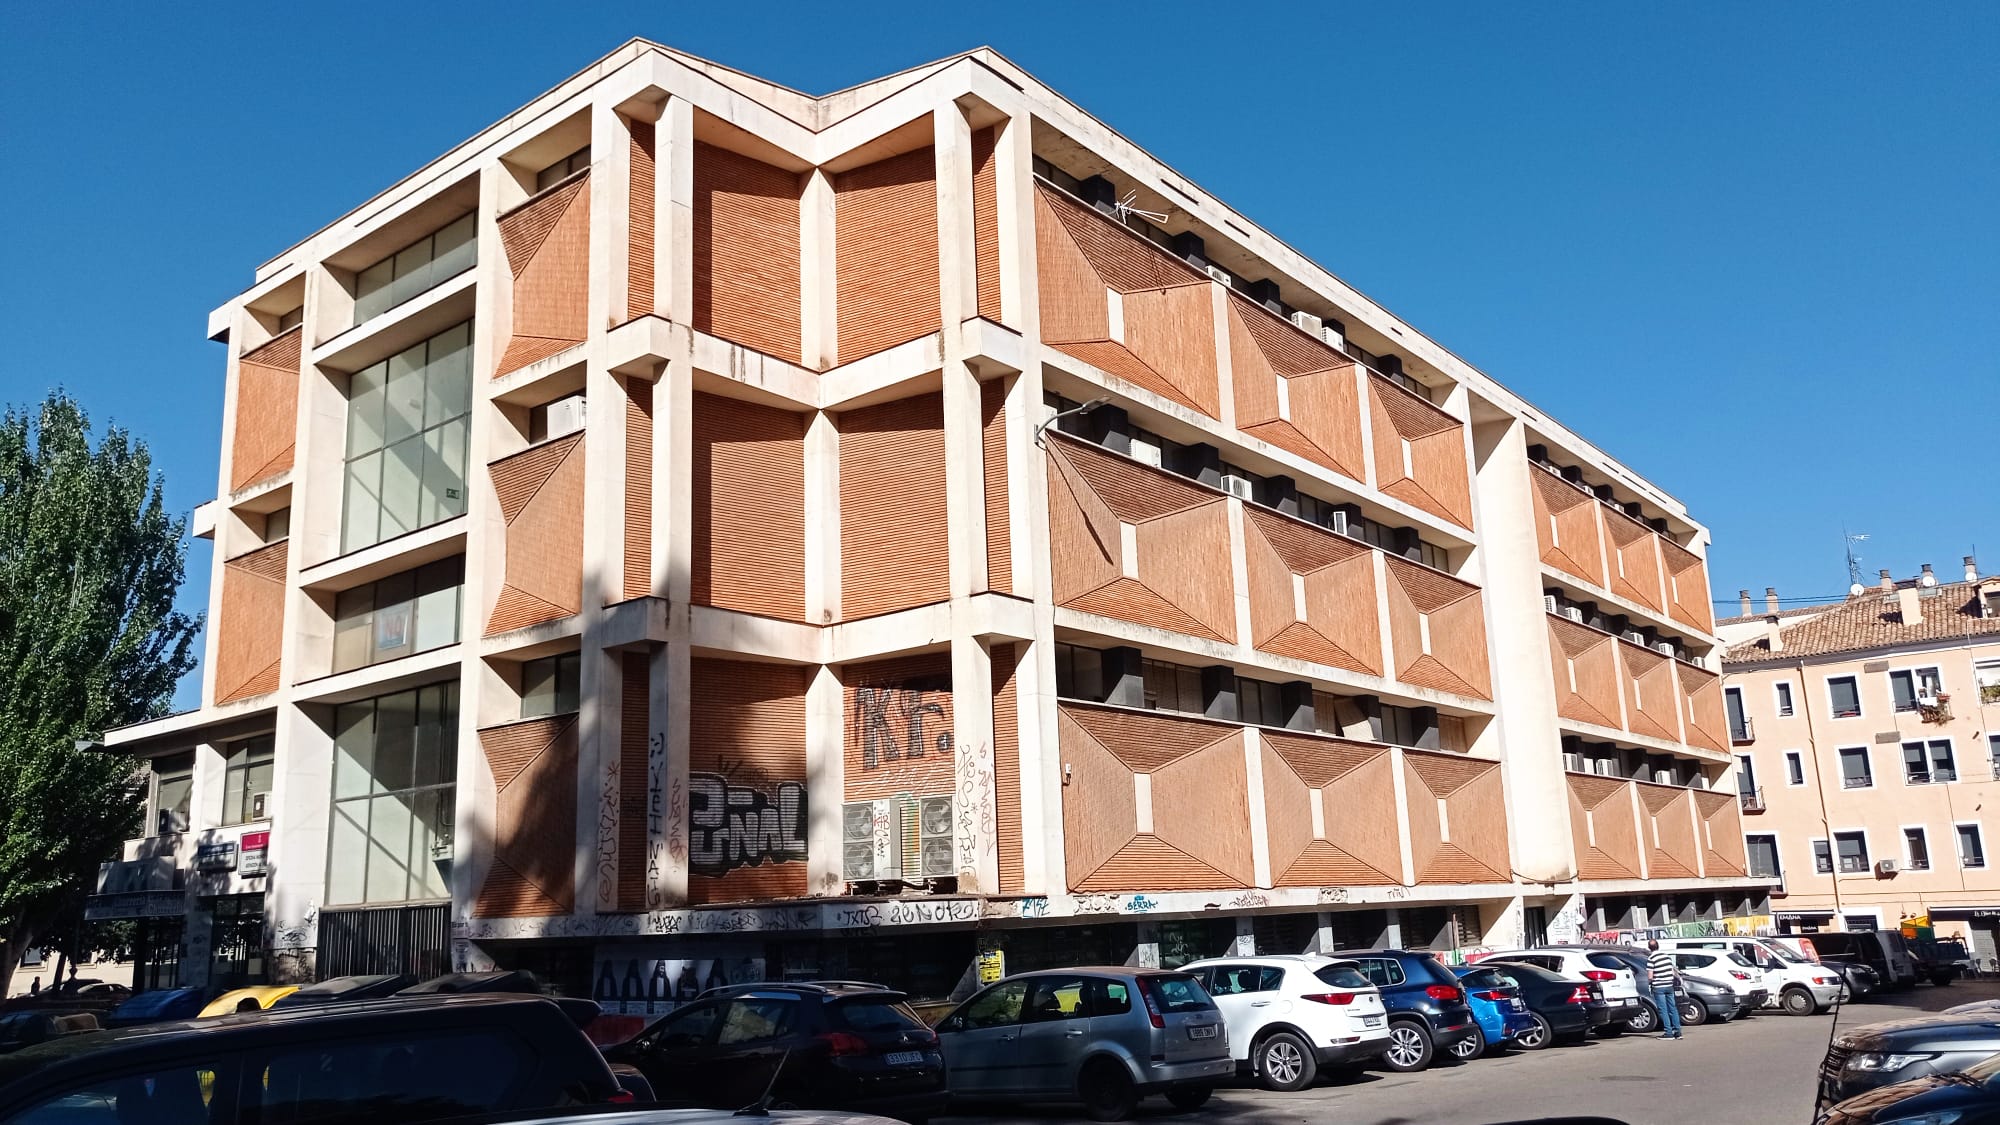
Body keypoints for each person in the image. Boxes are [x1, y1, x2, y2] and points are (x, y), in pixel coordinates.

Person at [1646, 940, 1683, 1040]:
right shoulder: (1666, 956)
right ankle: (1678, 1031)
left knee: (1663, 1010)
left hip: (1659, 986)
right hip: (1669, 985)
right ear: (1658, 946)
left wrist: (1649, 983)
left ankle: (1668, 1032)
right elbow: (1673, 970)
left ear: (1649, 948)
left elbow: (1650, 976)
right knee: (1673, 1008)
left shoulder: (1651, 958)